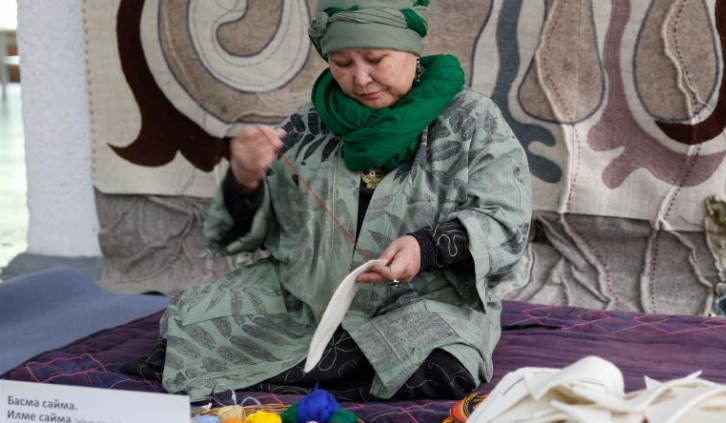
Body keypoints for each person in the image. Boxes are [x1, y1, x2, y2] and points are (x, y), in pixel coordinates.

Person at [125, 0, 532, 402]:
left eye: (375, 58)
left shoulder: (471, 120)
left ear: (411, 51)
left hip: (420, 299)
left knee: (443, 361)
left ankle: (286, 371)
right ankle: (324, 369)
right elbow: (246, 234)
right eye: (341, 63)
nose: (360, 79)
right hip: (306, 299)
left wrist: (424, 248)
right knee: (188, 318)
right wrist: (245, 178)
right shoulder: (309, 122)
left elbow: (504, 219)